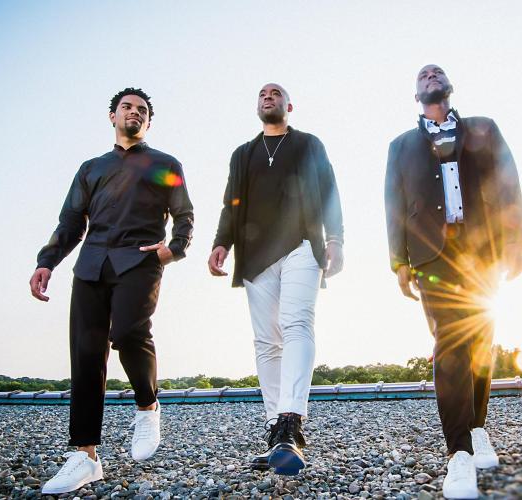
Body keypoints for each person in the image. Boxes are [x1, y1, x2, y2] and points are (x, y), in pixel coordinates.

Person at [29, 88, 194, 495]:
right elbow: (70, 220)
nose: (133, 113)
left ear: (148, 122)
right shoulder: (91, 168)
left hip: (139, 261)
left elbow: (184, 214)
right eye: (127, 107)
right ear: (112, 116)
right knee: (86, 357)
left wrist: (172, 250)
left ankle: (147, 406)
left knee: (128, 333)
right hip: (91, 265)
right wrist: (47, 261)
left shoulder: (164, 163)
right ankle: (85, 456)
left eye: (141, 110)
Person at [384, 64, 522, 499]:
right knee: (450, 342)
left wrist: (517, 242)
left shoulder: (484, 129)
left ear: (449, 87)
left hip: (482, 249)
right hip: (432, 254)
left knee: (482, 340)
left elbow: (509, 183)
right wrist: (399, 262)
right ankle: (459, 454)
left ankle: (478, 427)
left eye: (438, 72)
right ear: (416, 94)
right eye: (423, 75)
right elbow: (393, 203)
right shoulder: (401, 146)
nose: (431, 75)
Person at [208, 83, 344, 476]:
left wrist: (335, 238)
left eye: (276, 93)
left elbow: (330, 190)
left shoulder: (308, 144)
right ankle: (275, 432)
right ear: (257, 107)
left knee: (297, 323)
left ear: (289, 105)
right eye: (263, 94)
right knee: (267, 342)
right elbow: (231, 201)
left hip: (301, 244)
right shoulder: (242, 154)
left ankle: (291, 422)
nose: (268, 97)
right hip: (254, 255)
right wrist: (222, 243)